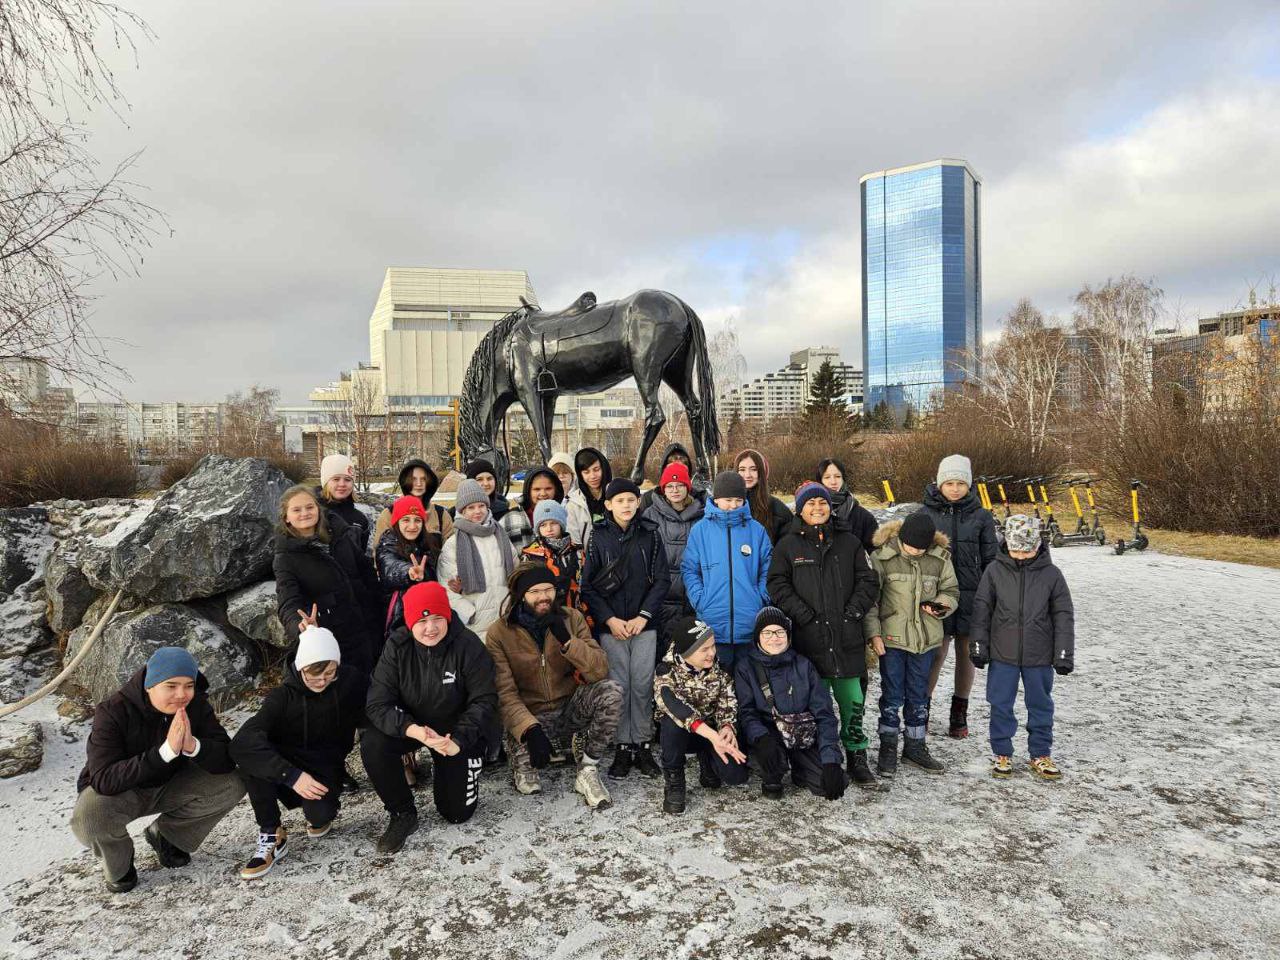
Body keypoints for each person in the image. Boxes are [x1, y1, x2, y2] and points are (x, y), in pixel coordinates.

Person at [71, 647, 245, 893]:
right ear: (150, 686)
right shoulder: (112, 711)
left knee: (234, 782)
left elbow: (226, 760)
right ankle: (121, 864)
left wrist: (194, 746)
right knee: (90, 819)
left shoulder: (196, 706)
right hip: (123, 791)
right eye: (171, 686)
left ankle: (167, 837)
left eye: (188, 685)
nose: (182, 694)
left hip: (173, 783)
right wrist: (165, 753)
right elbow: (103, 779)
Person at [362, 581, 498, 854]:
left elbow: (485, 699)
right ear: (410, 622)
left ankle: (450, 767)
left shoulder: (467, 645)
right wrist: (414, 730)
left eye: (437, 618)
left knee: (456, 813)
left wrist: (458, 740)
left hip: (455, 732)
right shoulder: (397, 647)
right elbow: (378, 704)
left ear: (447, 615)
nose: (430, 628)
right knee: (372, 742)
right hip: (414, 726)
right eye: (422, 621)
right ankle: (402, 814)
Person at [767, 482, 882, 788]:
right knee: (812, 707)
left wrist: (852, 613)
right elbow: (777, 584)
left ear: (830, 507)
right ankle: (819, 756)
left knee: (852, 704)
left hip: (846, 641)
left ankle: (857, 755)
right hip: (808, 642)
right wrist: (802, 614)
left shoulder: (850, 542)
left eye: (822, 503)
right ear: (799, 509)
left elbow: (868, 581)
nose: (817, 508)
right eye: (810, 504)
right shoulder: (788, 545)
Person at [229, 626, 369, 879]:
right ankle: (271, 833)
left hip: (324, 767)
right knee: (253, 759)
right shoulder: (281, 697)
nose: (322, 680)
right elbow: (242, 741)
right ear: (301, 667)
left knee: (320, 818)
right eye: (314, 674)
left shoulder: (350, 682)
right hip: (285, 769)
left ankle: (319, 811)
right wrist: (291, 776)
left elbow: (378, 703)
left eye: (329, 672)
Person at [485, 564, 621, 808]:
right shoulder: (499, 632)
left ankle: (587, 768)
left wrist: (568, 641)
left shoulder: (571, 618)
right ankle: (525, 749)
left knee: (611, 691)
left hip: (568, 707)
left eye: (548, 589)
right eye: (535, 591)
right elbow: (504, 692)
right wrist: (529, 729)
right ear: (521, 595)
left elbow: (599, 670)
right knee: (529, 786)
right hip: (531, 713)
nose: (543, 597)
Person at [969, 515, 1075, 780]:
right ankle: (1002, 751)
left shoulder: (1052, 575)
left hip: (1039, 655)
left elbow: (1063, 614)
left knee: (1040, 704)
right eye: (1016, 550)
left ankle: (1040, 753)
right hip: (1002, 653)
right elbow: (982, 610)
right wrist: (978, 644)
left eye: (1027, 550)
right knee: (1000, 703)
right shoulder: (994, 571)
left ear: (1037, 545)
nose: (1021, 556)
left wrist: (1063, 652)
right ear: (1007, 544)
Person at [579, 477, 670, 780]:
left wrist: (643, 616)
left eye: (631, 499)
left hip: (644, 624)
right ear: (608, 505)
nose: (627, 505)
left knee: (642, 684)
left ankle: (641, 743)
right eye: (619, 500)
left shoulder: (650, 534)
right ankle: (621, 746)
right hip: (613, 627)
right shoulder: (598, 536)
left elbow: (661, 580)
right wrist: (610, 620)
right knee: (619, 686)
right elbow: (588, 587)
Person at [864, 511, 959, 778]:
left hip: (925, 641)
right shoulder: (882, 558)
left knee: (919, 695)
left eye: (922, 547)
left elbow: (951, 591)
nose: (916, 551)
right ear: (902, 539)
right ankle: (888, 746)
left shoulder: (940, 559)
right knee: (892, 695)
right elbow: (871, 600)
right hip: (892, 642)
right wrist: (874, 635)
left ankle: (915, 746)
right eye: (911, 546)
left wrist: (942, 605)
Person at [919, 454, 999, 739]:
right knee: (935, 653)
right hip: (937, 596)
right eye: (949, 482)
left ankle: (958, 713)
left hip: (972, 596)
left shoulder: (981, 516)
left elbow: (992, 559)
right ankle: (921, 710)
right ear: (940, 483)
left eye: (960, 483)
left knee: (966, 653)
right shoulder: (925, 514)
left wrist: (991, 595)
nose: (955, 488)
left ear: (969, 485)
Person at [734, 608, 847, 802]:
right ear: (758, 637)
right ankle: (772, 775)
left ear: (788, 635)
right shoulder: (746, 667)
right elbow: (746, 711)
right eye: (767, 632)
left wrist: (831, 760)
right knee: (768, 754)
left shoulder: (804, 665)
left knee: (829, 783)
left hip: (802, 732)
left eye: (780, 632)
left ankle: (801, 768)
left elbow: (824, 714)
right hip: (769, 732)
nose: (774, 638)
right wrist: (760, 738)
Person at [273, 484, 377, 675]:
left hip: (367, 625)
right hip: (333, 635)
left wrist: (377, 603)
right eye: (296, 509)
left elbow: (366, 570)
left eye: (310, 507)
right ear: (286, 517)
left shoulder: (340, 534)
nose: (305, 513)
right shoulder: (286, 558)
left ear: (318, 509)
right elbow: (288, 602)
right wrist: (300, 625)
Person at [654, 616, 748, 814]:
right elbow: (674, 706)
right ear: (686, 651)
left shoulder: (720, 669)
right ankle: (674, 780)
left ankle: (707, 760)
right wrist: (713, 736)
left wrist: (727, 727)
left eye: (713, 646)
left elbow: (728, 702)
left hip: (710, 733)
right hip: (681, 736)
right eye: (704, 649)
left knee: (736, 776)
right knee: (671, 723)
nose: (712, 653)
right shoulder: (666, 672)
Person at [681, 470, 772, 673]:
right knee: (718, 686)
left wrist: (760, 597)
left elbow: (769, 567)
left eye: (738, 500)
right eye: (728, 500)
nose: (733, 506)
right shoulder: (700, 531)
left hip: (749, 624)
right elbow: (689, 569)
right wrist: (700, 599)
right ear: (717, 498)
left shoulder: (756, 530)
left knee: (749, 686)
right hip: (713, 624)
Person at [436, 479, 518, 641]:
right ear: (462, 511)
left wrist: (513, 606)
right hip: (475, 626)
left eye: (481, 506)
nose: (477, 511)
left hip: (505, 619)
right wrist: (468, 613)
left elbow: (516, 572)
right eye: (470, 507)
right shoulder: (453, 544)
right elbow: (445, 588)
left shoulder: (500, 535)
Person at [643, 461, 706, 661]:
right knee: (663, 655)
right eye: (669, 486)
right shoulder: (651, 515)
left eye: (679, 485)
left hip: (693, 597)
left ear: (687, 487)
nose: (675, 490)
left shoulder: (702, 516)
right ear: (663, 489)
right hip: (662, 597)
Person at [374, 495, 436, 651]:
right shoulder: (388, 542)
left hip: (426, 617)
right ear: (397, 522)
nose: (412, 526)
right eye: (406, 520)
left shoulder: (427, 545)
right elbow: (389, 567)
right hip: (399, 620)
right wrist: (409, 572)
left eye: (417, 520)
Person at [520, 499, 588, 619]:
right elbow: (525, 590)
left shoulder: (577, 551)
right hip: (544, 615)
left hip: (576, 614)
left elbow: (586, 584)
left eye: (554, 523)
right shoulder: (530, 554)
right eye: (543, 525)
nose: (549, 528)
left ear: (561, 524)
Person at [371, 457, 454, 551]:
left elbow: (451, 553)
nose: (419, 484)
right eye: (413, 479)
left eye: (423, 479)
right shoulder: (388, 514)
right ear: (405, 481)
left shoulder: (441, 515)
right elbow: (380, 555)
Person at [735, 449, 794, 545]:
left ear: (762, 473)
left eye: (753, 469)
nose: (747, 475)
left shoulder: (777, 509)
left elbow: (787, 547)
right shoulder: (727, 506)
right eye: (742, 470)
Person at [816, 458, 879, 546]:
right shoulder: (811, 513)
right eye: (827, 477)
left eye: (838, 476)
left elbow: (873, 551)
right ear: (820, 481)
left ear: (843, 479)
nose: (833, 482)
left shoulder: (864, 517)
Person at [317, 454, 371, 552]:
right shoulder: (312, 513)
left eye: (347, 479)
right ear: (325, 482)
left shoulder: (360, 519)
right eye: (336, 479)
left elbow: (360, 557)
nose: (342, 484)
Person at [505, 466, 566, 552]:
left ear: (556, 490)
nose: (543, 493)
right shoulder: (511, 518)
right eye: (537, 489)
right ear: (528, 491)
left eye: (548, 488)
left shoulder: (563, 514)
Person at [565, 447, 612, 548]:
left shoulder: (616, 495)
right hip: (587, 560)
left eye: (596, 469)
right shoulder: (574, 504)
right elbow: (574, 543)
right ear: (580, 474)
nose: (593, 476)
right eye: (586, 472)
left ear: (603, 468)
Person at [639, 441, 704, 511]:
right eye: (672, 469)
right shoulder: (649, 499)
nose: (676, 473)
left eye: (681, 469)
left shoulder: (699, 498)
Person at [457, 459, 514, 523]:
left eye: (489, 478)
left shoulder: (505, 512)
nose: (486, 483)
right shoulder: (457, 513)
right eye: (479, 479)